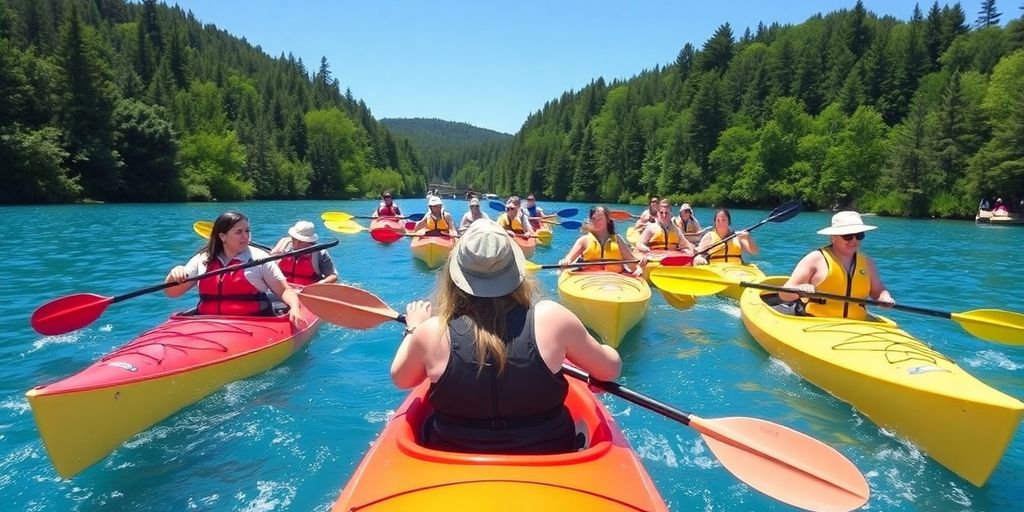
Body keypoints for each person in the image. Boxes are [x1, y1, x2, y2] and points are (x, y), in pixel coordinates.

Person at [391, 219, 621, 454]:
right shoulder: (553, 318)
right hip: (548, 455)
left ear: (455, 274)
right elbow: (609, 370)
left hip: (453, 457)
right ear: (514, 269)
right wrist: (606, 351)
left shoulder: (431, 331)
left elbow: (402, 379)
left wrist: (413, 329)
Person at [164, 211, 305, 325]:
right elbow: (172, 293)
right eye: (239, 232)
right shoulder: (203, 259)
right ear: (222, 236)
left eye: (247, 231)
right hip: (207, 323)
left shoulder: (259, 258)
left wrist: (294, 307)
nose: (246, 237)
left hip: (253, 323)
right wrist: (174, 275)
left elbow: (284, 290)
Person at [779, 211, 894, 320]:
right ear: (833, 237)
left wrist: (884, 297)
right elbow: (784, 295)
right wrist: (799, 289)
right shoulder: (814, 259)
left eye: (859, 235)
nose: (854, 240)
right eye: (848, 236)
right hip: (815, 322)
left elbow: (878, 291)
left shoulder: (867, 263)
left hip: (856, 323)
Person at [559, 206, 646, 277]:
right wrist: (565, 261)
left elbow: (631, 261)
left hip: (615, 279)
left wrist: (638, 268)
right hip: (588, 278)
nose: (595, 221)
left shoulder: (617, 240)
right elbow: (569, 258)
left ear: (607, 221)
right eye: (593, 218)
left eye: (599, 218)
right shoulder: (583, 240)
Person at [269, 220, 338, 286]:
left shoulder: (319, 253)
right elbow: (268, 266)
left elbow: (333, 276)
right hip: (282, 289)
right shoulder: (283, 245)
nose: (296, 243)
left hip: (306, 291)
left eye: (301, 240)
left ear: (309, 240)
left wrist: (320, 284)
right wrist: (276, 252)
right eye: (294, 239)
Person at [694, 208, 759, 265]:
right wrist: (699, 259)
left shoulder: (738, 236)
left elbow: (754, 252)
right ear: (715, 222)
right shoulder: (709, 236)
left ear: (729, 222)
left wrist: (749, 237)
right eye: (718, 220)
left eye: (723, 220)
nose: (720, 222)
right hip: (716, 269)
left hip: (737, 269)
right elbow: (699, 255)